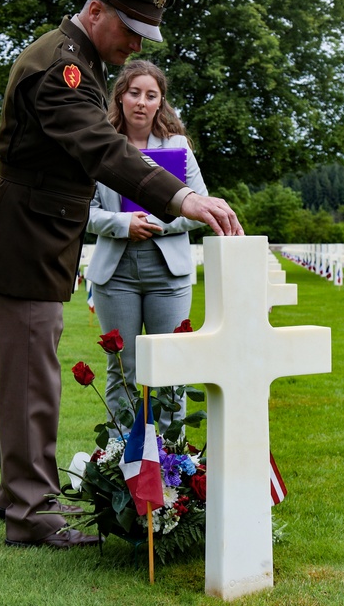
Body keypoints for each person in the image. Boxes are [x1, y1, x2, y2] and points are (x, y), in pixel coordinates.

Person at [0, 0, 243, 550]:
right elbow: (100, 148)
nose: (137, 45)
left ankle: (20, 492)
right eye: (132, 30)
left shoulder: (77, 60)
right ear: (97, 12)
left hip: (35, 238)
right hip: (23, 241)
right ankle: (31, 510)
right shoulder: (63, 69)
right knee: (31, 382)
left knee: (29, 377)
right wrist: (181, 196)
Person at [86, 60, 204, 438]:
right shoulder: (99, 145)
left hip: (168, 272)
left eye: (150, 95)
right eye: (134, 93)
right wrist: (123, 224)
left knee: (172, 363)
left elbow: (199, 206)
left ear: (160, 103)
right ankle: (123, 456)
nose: (141, 101)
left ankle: (172, 460)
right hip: (115, 274)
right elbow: (83, 212)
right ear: (119, 97)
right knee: (122, 367)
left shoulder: (177, 146)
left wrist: (158, 224)